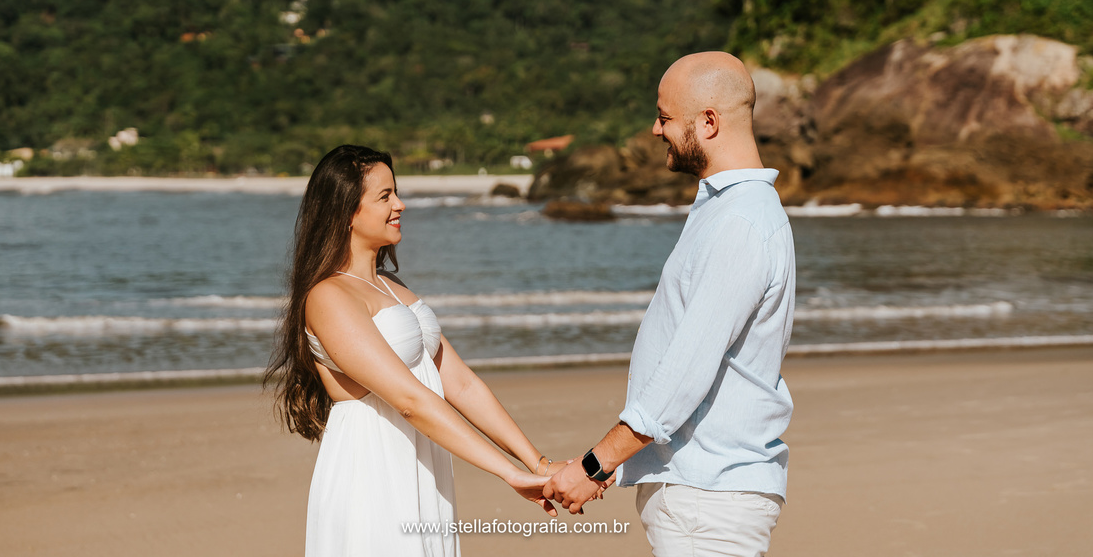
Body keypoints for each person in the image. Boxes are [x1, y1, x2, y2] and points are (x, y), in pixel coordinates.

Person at [544, 52, 796, 557]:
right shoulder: (728, 210)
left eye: (664, 118)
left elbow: (685, 372)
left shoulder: (740, 222)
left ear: (708, 122)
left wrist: (594, 466)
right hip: (703, 493)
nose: (655, 130)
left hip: (708, 499)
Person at [266, 144, 559, 556]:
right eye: (384, 196)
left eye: (396, 193)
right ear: (346, 211)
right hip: (373, 472)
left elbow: (462, 384)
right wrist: (508, 473)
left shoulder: (393, 287)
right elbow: (409, 401)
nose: (399, 205)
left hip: (421, 464)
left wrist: (538, 463)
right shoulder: (328, 296)